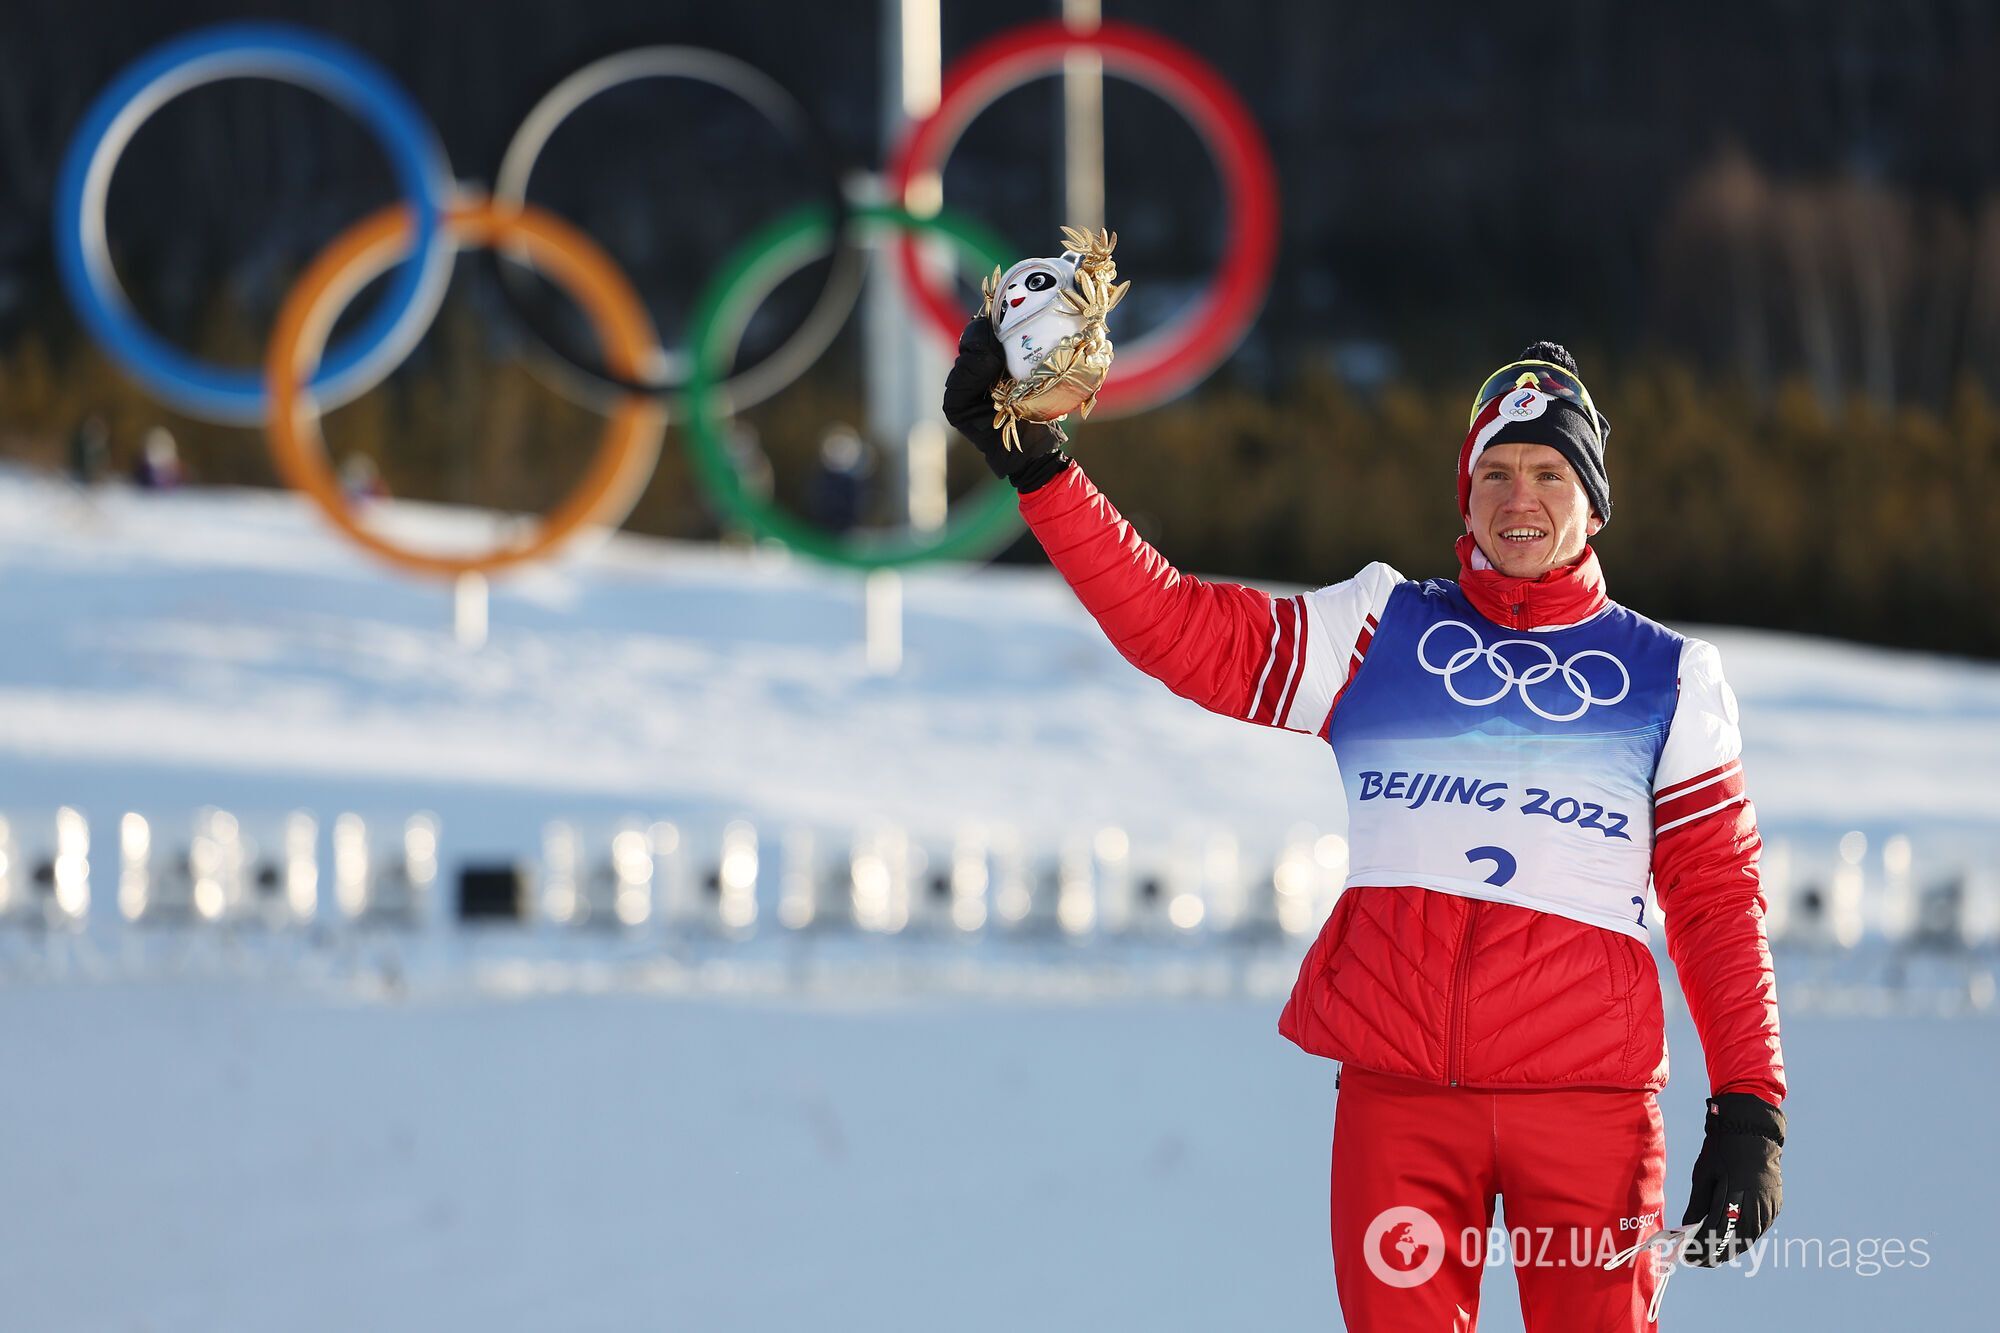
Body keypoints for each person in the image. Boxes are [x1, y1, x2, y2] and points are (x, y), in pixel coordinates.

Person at [944, 323, 1786, 1332]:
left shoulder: (1671, 678)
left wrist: (1749, 1104)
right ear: (1463, 494)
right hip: (1400, 1101)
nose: (1520, 499)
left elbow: (1715, 900)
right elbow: (1176, 627)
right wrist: (1039, 472)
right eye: (1497, 472)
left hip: (1588, 1110)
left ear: (1594, 501)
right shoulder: (1379, 627)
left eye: (1550, 474)